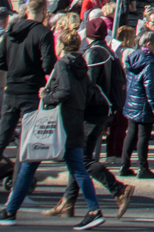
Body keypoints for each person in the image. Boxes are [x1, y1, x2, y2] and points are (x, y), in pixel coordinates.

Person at [0, 28, 106, 229]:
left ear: (60, 45)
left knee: (29, 164)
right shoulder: (81, 64)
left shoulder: (62, 64)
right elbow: (84, 92)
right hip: (74, 121)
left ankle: (10, 212)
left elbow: (64, 91)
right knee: (77, 168)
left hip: (57, 123)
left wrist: (46, 96)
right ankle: (94, 210)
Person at [0, 0, 55, 204]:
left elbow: (0, 62)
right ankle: (17, 191)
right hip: (31, 90)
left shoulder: (10, 31)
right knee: (25, 143)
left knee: (1, 139)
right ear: (44, 11)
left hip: (11, 89)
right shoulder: (43, 33)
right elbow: (48, 66)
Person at [52, 19, 132, 219]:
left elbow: (89, 84)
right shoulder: (108, 51)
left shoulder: (94, 53)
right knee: (78, 156)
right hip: (102, 110)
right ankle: (68, 201)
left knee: (82, 159)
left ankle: (118, 189)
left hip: (92, 111)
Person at [120, 32, 154, 178]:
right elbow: (151, 87)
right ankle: (143, 167)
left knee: (131, 134)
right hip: (143, 103)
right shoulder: (150, 62)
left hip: (132, 101)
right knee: (143, 136)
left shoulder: (133, 56)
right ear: (149, 44)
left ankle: (124, 165)